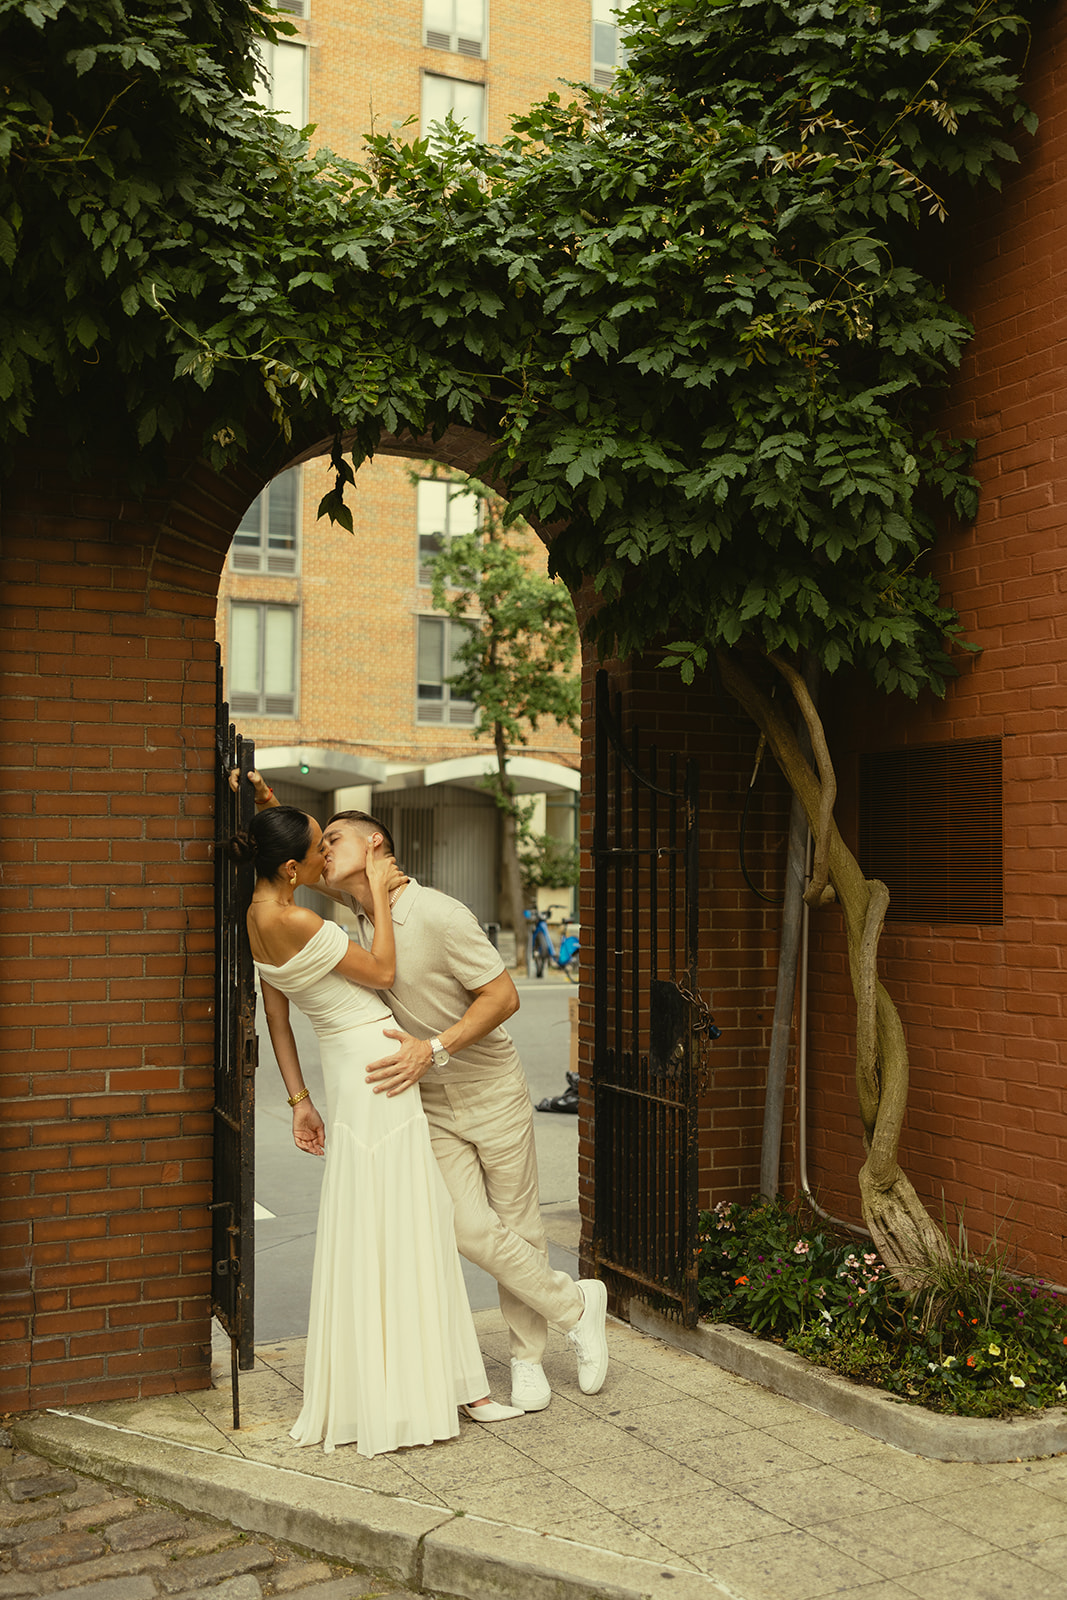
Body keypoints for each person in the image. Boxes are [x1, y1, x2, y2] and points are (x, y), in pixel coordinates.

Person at [232, 775, 610, 1412]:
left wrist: (433, 1048)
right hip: (423, 1100)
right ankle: (578, 1304)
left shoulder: (435, 911)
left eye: (337, 842)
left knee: (518, 1224)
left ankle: (526, 1357)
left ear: (375, 846)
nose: (325, 854)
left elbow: (505, 997)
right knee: (465, 1227)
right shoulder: (345, 910)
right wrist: (270, 810)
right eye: (318, 849)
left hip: (488, 1088)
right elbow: (286, 861)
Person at [227, 804, 522, 1457]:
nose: (325, 859)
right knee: (410, 1220)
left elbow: (277, 1020)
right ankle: (444, 1387)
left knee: (384, 1222)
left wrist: (301, 1099)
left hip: (345, 1073)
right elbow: (383, 972)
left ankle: (429, 1380)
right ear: (289, 866)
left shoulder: (259, 918)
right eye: (316, 849)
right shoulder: (302, 920)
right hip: (381, 1068)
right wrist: (384, 892)